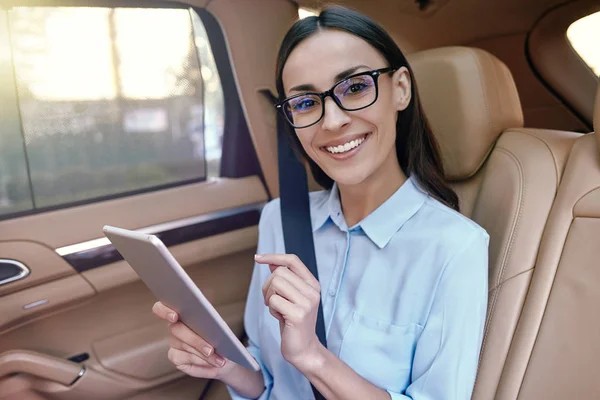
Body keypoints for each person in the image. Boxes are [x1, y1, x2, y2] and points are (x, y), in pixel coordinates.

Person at [152, 5, 489, 399]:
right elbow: (268, 382)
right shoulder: (280, 219)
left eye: (356, 87)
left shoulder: (455, 248)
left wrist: (312, 356)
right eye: (306, 103)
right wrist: (225, 366)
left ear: (401, 89)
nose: (332, 121)